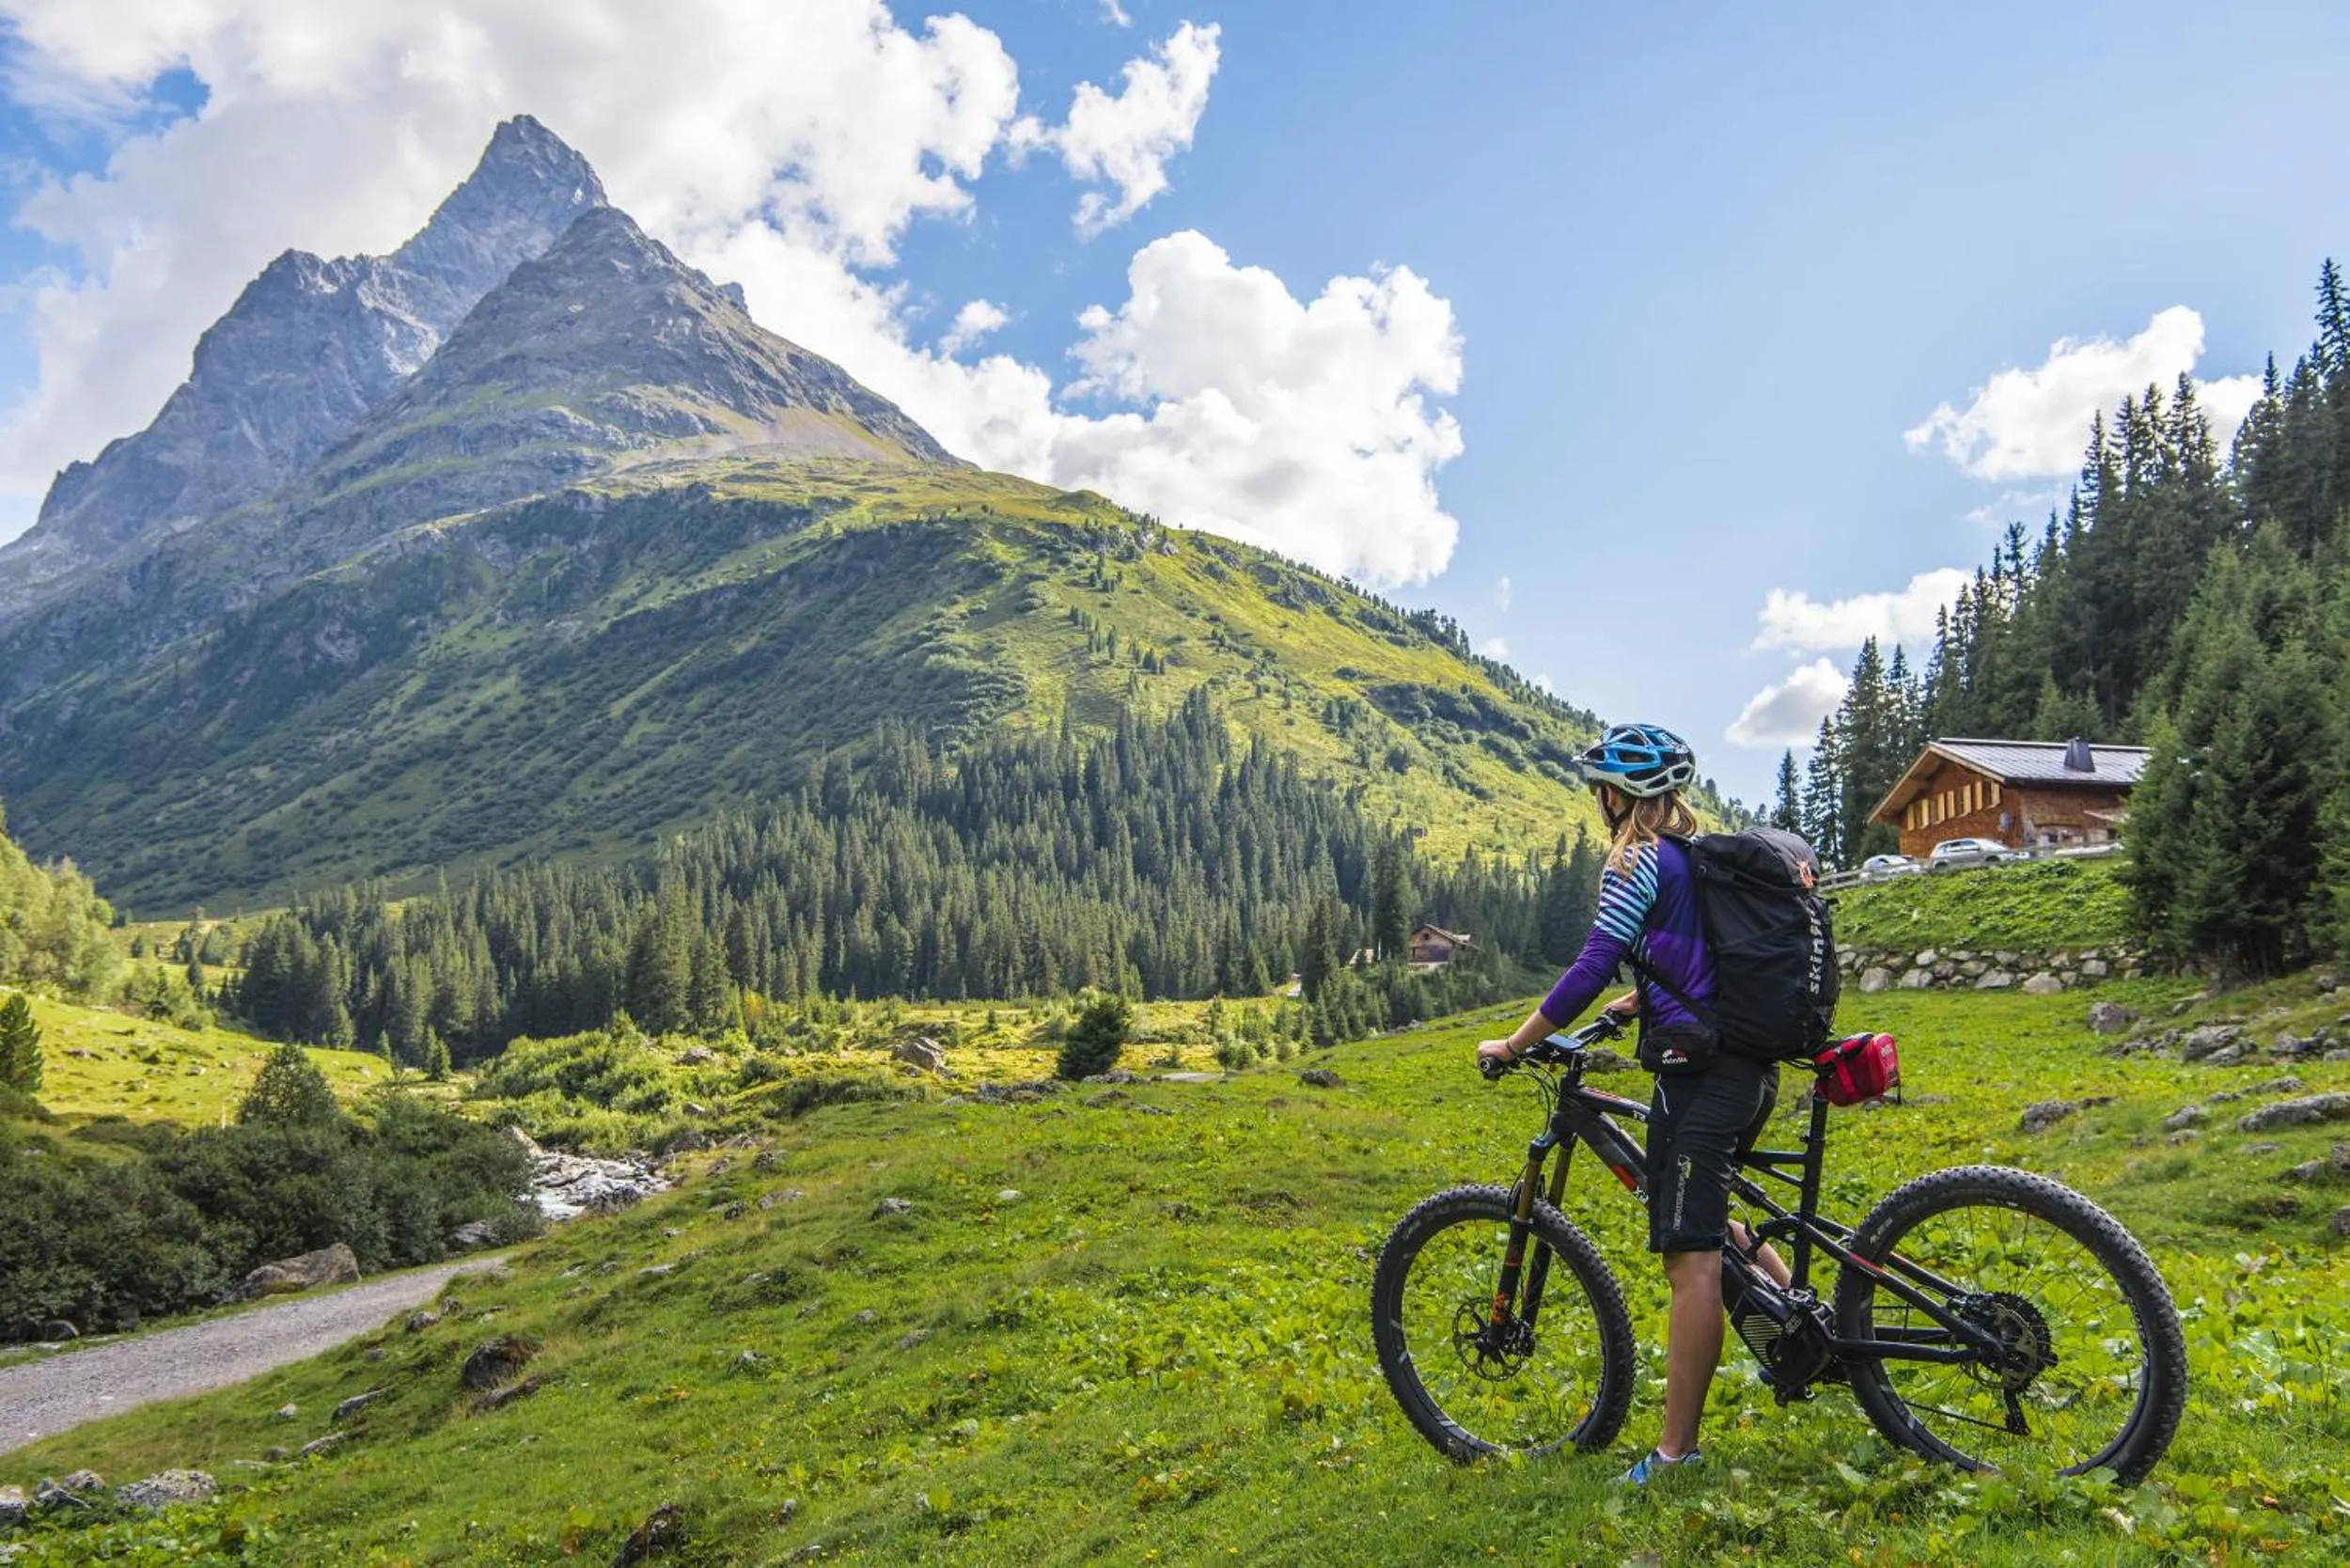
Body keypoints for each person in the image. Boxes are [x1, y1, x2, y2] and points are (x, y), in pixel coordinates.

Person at [1475, 722, 1789, 1484]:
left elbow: (1592, 960)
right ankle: (1802, 1327)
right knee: (1706, 1216)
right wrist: (1635, 1003)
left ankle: (1675, 1454)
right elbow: (1694, 962)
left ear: (1621, 795)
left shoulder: (1637, 860)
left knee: (1691, 1262)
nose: (1598, 802)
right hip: (1749, 1067)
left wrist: (1516, 1044)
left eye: (1601, 790)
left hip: (1702, 1077)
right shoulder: (1692, 856)